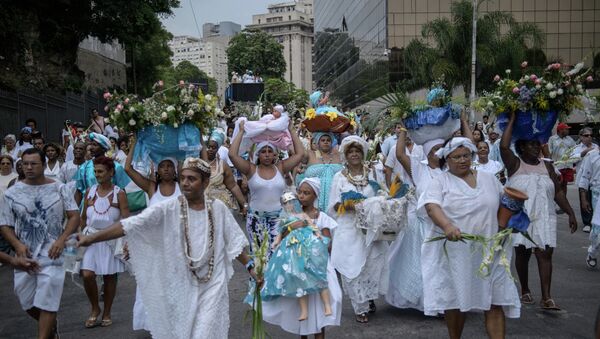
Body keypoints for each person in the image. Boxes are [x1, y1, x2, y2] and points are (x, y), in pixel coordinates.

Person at [77, 157, 258, 338]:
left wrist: (251, 267)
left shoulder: (218, 209)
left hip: (213, 284)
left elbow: (234, 243)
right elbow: (130, 224)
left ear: (205, 182)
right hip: (182, 283)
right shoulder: (169, 208)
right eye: (183, 178)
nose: (185, 183)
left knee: (205, 332)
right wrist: (92, 238)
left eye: (191, 179)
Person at [420, 137, 520, 338]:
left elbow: (504, 203)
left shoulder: (488, 179)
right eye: (456, 157)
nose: (462, 160)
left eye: (466, 155)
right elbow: (431, 206)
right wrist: (447, 225)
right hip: (457, 253)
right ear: (446, 159)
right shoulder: (440, 181)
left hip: (491, 250)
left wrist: (514, 219)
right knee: (456, 301)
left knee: (494, 300)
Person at [0, 148, 80, 339]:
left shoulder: (60, 187)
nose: (28, 167)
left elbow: (74, 216)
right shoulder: (11, 193)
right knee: (26, 300)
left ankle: (45, 334)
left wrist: (62, 240)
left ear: (43, 165)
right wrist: (17, 245)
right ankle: (50, 325)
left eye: (33, 163)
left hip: (54, 252)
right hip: (25, 254)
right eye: (25, 164)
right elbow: (5, 224)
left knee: (48, 299)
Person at [501, 112, 577, 310]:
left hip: (545, 216)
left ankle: (547, 297)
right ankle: (525, 289)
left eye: (537, 144)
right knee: (523, 253)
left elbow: (557, 192)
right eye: (531, 145)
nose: (536, 148)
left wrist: (570, 212)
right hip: (522, 218)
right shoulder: (515, 164)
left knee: (545, 254)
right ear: (521, 147)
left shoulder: (547, 166)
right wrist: (512, 121)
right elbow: (503, 146)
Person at [261, 178, 342, 338]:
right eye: (300, 192)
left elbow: (327, 243)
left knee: (319, 311)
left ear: (315, 196)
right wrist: (290, 229)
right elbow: (282, 236)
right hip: (296, 266)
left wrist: (312, 242)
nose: (302, 196)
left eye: (307, 193)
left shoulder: (321, 217)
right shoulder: (290, 215)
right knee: (300, 308)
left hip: (318, 265)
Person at [328, 136, 388, 323]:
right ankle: (359, 306)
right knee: (352, 266)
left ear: (362, 154)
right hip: (349, 228)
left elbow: (383, 194)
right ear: (346, 156)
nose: (354, 155)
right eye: (350, 152)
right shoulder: (339, 177)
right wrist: (349, 206)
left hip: (371, 229)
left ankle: (368, 298)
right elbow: (333, 205)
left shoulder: (372, 174)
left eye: (357, 152)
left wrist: (377, 204)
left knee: (371, 265)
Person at [124, 136, 181, 332]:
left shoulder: (184, 187)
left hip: (178, 245)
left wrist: (198, 137)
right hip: (154, 245)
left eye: (169, 166)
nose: (166, 169)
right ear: (157, 169)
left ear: (176, 170)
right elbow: (128, 169)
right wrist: (135, 141)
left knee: (176, 285)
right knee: (154, 286)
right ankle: (155, 323)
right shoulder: (151, 187)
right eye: (162, 166)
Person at [385, 126, 444, 312]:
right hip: (421, 224)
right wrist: (403, 129)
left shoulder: (451, 170)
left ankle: (441, 304)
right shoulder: (419, 170)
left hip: (444, 225)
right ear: (428, 152)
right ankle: (424, 302)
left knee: (440, 266)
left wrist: (464, 121)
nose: (440, 153)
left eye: (442, 149)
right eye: (435, 149)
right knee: (420, 265)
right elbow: (400, 154)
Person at [229, 119, 304, 257]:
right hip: (256, 220)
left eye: (270, 151)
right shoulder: (251, 169)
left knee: (277, 256)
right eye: (263, 151)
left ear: (275, 154)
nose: (267, 154)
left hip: (278, 220)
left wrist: (292, 130)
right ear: (258, 154)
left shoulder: (281, 167)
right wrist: (240, 131)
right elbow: (232, 155)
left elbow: (300, 154)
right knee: (259, 258)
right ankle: (258, 279)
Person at [80, 156, 129, 328]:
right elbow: (83, 217)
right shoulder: (90, 191)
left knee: (109, 277)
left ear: (111, 172)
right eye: (95, 171)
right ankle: (95, 308)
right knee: (87, 275)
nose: (97, 174)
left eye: (100, 171)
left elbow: (126, 220)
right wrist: (80, 235)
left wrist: (126, 242)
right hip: (91, 239)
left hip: (111, 240)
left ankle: (107, 312)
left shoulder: (119, 193)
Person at [74, 132, 130, 205]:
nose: (91, 148)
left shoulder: (116, 167)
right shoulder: (83, 167)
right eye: (90, 144)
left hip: (110, 208)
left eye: (94, 145)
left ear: (103, 148)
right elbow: (78, 192)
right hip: (87, 209)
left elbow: (122, 192)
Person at [205, 129, 247, 213]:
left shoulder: (222, 165)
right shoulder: (198, 162)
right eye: (208, 146)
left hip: (220, 206)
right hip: (203, 205)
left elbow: (233, 186)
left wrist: (244, 205)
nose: (210, 149)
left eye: (213, 147)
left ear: (218, 148)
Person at [302, 132, 344, 212]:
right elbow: (296, 152)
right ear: (317, 142)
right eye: (323, 140)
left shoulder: (338, 155)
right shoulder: (310, 154)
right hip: (313, 198)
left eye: (328, 140)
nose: (326, 142)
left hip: (335, 199)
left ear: (332, 142)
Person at [573, 127, 599, 233]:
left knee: (595, 201)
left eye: (591, 135)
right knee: (585, 200)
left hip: (595, 179)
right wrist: (585, 152)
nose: (589, 137)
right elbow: (572, 160)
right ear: (581, 137)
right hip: (583, 179)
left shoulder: (596, 147)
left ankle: (595, 220)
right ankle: (587, 222)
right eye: (586, 135)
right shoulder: (577, 148)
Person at [577, 147, 600, 268]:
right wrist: (583, 198)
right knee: (598, 231)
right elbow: (584, 178)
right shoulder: (592, 155)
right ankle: (592, 252)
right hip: (597, 196)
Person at [547, 122, 576, 201]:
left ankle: (563, 202)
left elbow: (575, 150)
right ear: (560, 130)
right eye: (566, 129)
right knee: (557, 185)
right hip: (557, 166)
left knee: (564, 185)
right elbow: (549, 152)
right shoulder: (552, 139)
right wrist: (549, 166)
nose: (568, 131)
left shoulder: (570, 139)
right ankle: (556, 202)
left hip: (567, 166)